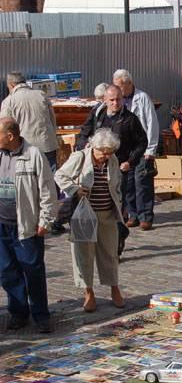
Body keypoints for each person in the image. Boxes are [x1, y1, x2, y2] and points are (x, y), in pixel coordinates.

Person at [55, 128, 125, 312]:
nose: (106, 156)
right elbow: (60, 175)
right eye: (103, 152)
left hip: (107, 213)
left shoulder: (112, 160)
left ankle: (114, 287)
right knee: (84, 253)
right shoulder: (80, 157)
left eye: (110, 152)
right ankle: (88, 292)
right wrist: (75, 189)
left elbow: (116, 184)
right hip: (84, 214)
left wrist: (120, 204)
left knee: (110, 252)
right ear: (94, 147)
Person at [0, 117, 56, 334]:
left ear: (10, 136)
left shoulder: (33, 155)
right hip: (2, 225)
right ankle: (18, 313)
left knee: (33, 270)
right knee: (7, 271)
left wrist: (46, 220)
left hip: (26, 225)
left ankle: (41, 315)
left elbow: (47, 190)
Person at [76, 85, 147, 255]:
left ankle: (116, 244)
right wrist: (83, 146)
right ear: (105, 100)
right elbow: (84, 133)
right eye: (112, 100)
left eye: (118, 99)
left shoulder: (130, 119)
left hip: (118, 169)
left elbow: (141, 143)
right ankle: (96, 242)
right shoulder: (97, 115)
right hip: (95, 168)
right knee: (96, 205)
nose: (116, 103)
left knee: (116, 206)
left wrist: (130, 162)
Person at [0, 73, 61, 234]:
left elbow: (4, 128)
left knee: (26, 186)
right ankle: (51, 220)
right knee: (49, 183)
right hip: (47, 144)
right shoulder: (41, 95)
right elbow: (52, 119)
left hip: (24, 150)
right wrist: (54, 139)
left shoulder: (9, 101)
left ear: (11, 86)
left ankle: (31, 218)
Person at [112, 69, 159, 231]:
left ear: (129, 83)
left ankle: (145, 216)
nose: (118, 89)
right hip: (126, 150)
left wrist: (151, 150)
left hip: (142, 147)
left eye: (120, 86)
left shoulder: (142, 98)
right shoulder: (117, 101)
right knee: (128, 184)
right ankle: (132, 214)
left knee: (143, 183)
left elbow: (152, 124)